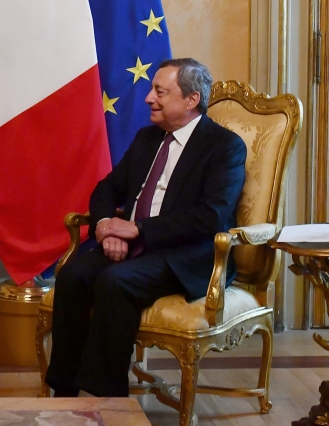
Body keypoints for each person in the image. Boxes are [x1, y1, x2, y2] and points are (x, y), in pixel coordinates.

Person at [45, 58, 246, 398]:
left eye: (159, 92)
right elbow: (107, 189)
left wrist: (137, 230)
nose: (148, 98)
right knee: (73, 276)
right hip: (135, 245)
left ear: (191, 100)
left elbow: (210, 216)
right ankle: (64, 394)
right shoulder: (147, 138)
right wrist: (107, 227)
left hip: (185, 255)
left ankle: (106, 400)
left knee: (114, 282)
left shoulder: (224, 146)